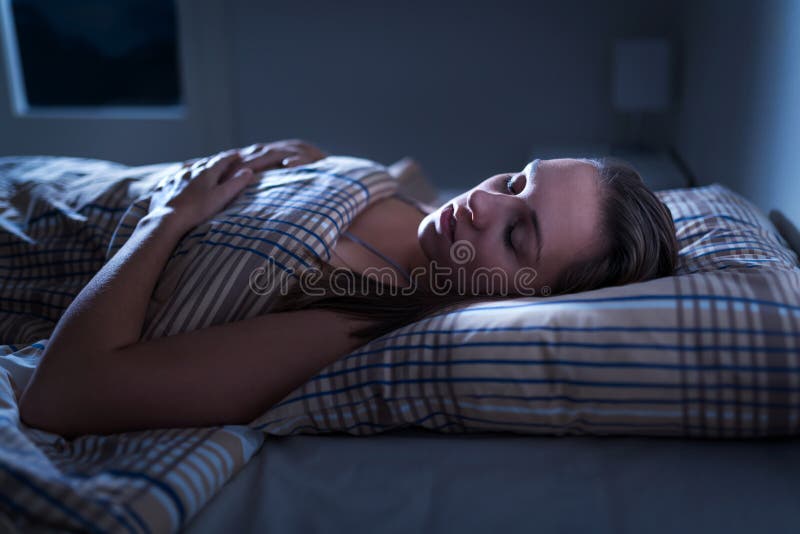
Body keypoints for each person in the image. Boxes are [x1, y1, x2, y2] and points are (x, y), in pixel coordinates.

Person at [18, 139, 678, 436]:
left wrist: (166, 222)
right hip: (46, 177)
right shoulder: (412, 202)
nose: (482, 204)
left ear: (528, 301)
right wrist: (310, 161)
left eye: (519, 235)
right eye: (513, 183)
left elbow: (66, 393)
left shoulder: (349, 323)